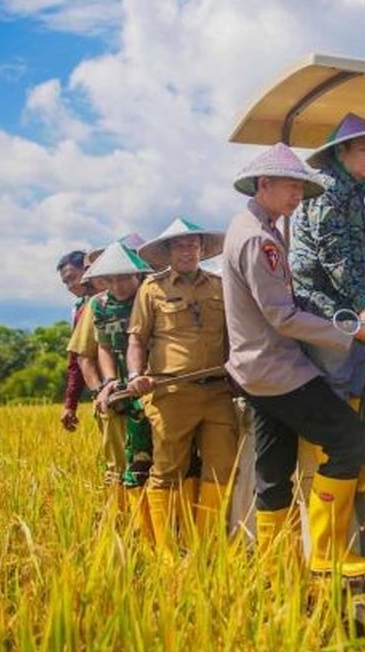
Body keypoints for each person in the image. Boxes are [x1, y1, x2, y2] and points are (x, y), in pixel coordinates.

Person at [223, 144, 365, 577]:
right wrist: (354, 331)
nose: (298, 196)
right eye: (291, 186)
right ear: (264, 184)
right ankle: (328, 554)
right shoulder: (262, 240)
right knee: (348, 439)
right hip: (277, 369)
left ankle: (274, 566)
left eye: (301, 187)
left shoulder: (252, 228)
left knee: (274, 469)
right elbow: (281, 317)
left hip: (254, 370)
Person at [126, 218, 238, 550]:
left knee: (222, 467)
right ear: (168, 251)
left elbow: (233, 337)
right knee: (167, 470)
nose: (187, 251)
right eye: (179, 245)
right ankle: (165, 552)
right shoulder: (152, 289)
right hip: (171, 391)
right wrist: (135, 376)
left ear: (202, 249)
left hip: (218, 390)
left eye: (192, 245)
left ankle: (206, 547)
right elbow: (136, 340)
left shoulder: (220, 286)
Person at [289, 112, 365, 401]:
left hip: (344, 302)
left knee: (356, 380)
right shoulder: (329, 190)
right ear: (342, 151)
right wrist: (363, 305)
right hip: (323, 304)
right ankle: (333, 446)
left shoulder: (352, 191)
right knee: (336, 384)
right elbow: (333, 255)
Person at [82, 238, 155, 539]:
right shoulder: (98, 305)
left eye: (125, 277)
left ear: (138, 274)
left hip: (156, 381)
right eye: (111, 279)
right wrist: (109, 382)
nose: (119, 285)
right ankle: (140, 530)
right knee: (134, 456)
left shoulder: (151, 295)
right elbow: (102, 348)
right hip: (124, 387)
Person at [57, 250, 101, 432]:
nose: (70, 286)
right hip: (102, 390)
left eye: (73, 277)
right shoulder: (80, 310)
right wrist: (70, 404)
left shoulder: (125, 296)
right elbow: (77, 358)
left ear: (89, 270)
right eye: (66, 282)